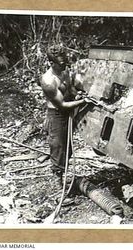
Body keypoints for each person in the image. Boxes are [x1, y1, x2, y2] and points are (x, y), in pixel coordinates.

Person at [40, 44, 89, 185]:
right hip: (56, 115)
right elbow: (61, 105)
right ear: (51, 63)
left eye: (65, 61)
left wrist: (77, 94)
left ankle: (63, 177)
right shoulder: (48, 81)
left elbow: (70, 88)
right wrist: (83, 102)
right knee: (58, 148)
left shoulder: (64, 71)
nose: (64, 65)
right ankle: (58, 187)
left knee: (67, 148)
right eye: (61, 63)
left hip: (68, 112)